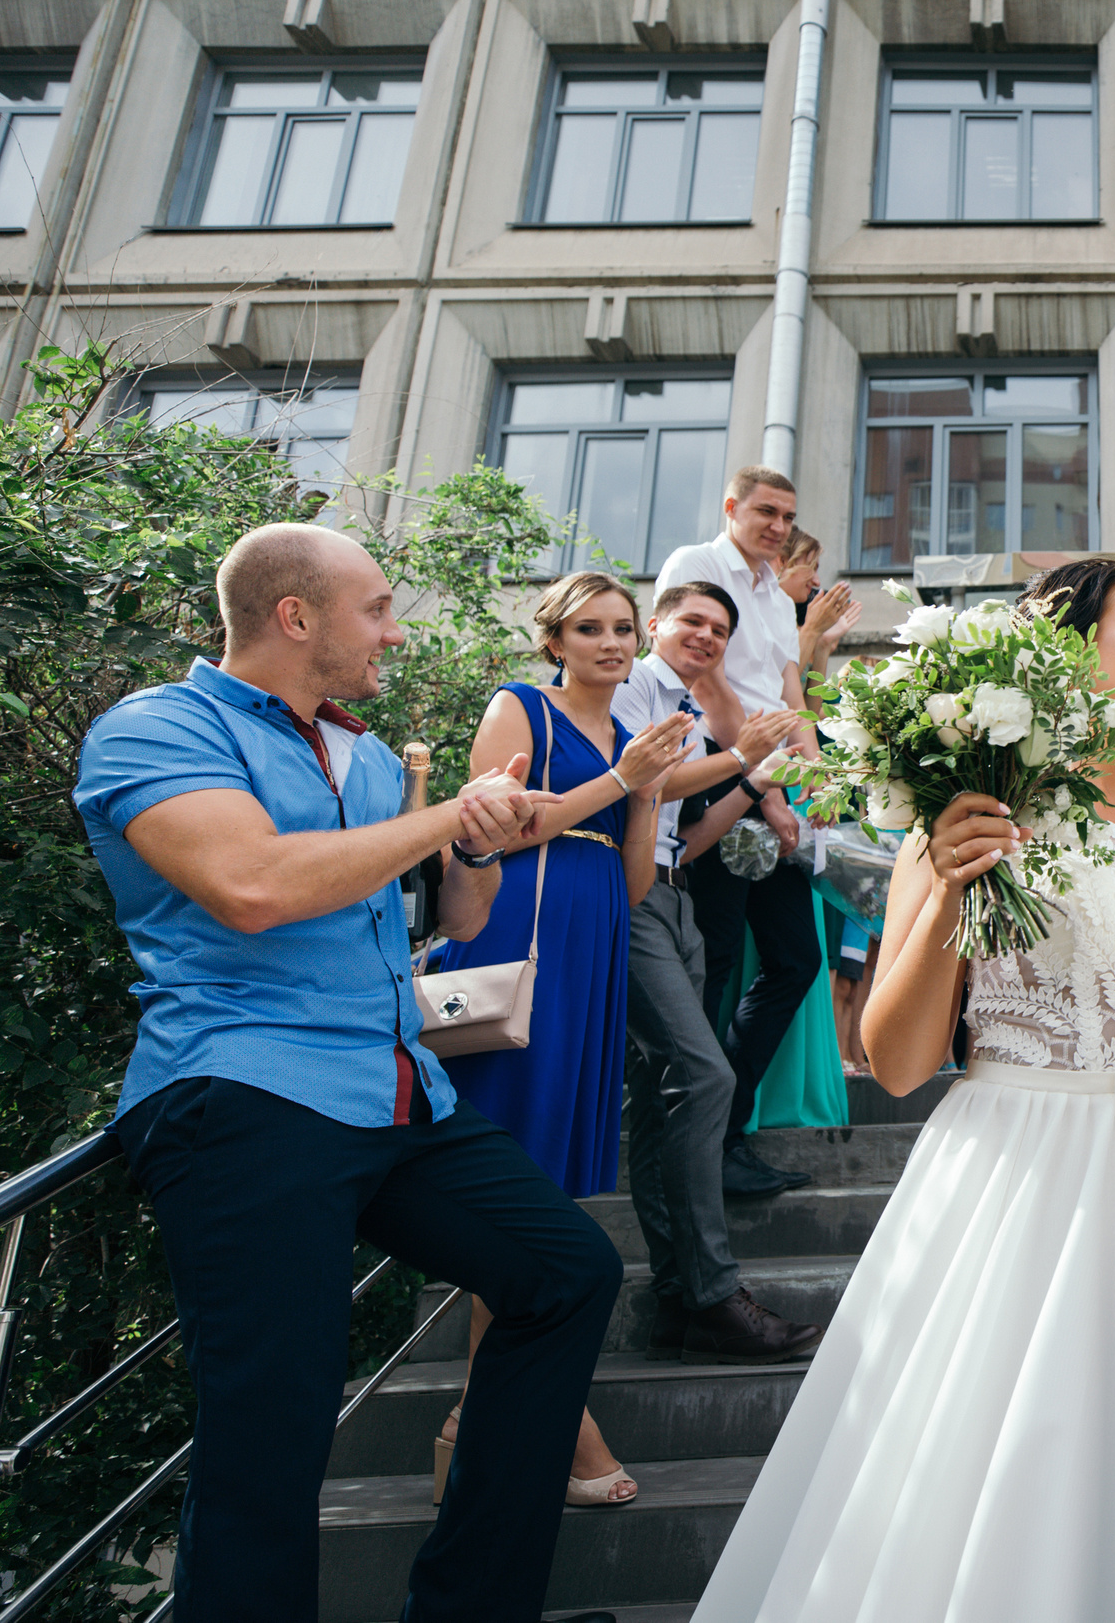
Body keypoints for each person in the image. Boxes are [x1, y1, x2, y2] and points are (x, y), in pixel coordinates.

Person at [695, 559, 1115, 1623]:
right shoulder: (975, 811)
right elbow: (892, 1060)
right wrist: (945, 890)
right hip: (1027, 1168)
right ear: (1068, 646)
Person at [80, 523, 623, 1621]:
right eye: (375, 607)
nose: (393, 629)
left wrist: (471, 847)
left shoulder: (368, 758)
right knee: (272, 1421)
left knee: (564, 1270)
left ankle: (472, 1607)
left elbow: (456, 915)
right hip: (243, 1093)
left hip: (399, 1093)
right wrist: (442, 815)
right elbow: (252, 885)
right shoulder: (156, 728)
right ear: (296, 617)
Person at [428, 570, 696, 1508]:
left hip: (592, 950)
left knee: (537, 1192)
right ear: (556, 641)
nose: (614, 643)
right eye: (592, 628)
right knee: (517, 1190)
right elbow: (495, 828)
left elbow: (629, 886)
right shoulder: (521, 709)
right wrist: (622, 780)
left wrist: (650, 795)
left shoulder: (627, 738)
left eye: (625, 628)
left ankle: (475, 1416)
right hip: (521, 947)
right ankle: (546, 1420)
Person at [610, 580, 829, 1368]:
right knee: (705, 1078)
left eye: (720, 628)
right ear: (657, 623)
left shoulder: (691, 710)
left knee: (662, 1097)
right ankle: (713, 1295)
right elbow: (643, 782)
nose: (706, 636)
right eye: (693, 621)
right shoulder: (633, 686)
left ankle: (673, 1299)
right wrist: (742, 756)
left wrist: (752, 781)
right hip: (630, 902)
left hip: (674, 897)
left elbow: (691, 835)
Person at [656, 465, 823, 1198]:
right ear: (731, 507)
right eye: (766, 511)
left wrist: (818, 784)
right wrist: (765, 792)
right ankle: (692, 1143)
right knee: (715, 959)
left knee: (795, 958)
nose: (779, 527)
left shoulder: (776, 594)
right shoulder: (697, 567)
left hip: (778, 785)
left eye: (788, 516)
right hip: (720, 773)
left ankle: (727, 1125)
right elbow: (707, 684)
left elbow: (791, 696)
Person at [777, 528, 859, 679]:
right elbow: (778, 692)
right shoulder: (759, 616)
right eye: (810, 568)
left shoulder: (787, 619)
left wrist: (824, 644)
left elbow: (811, 703)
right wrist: (812, 629)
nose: (817, 581)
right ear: (782, 562)